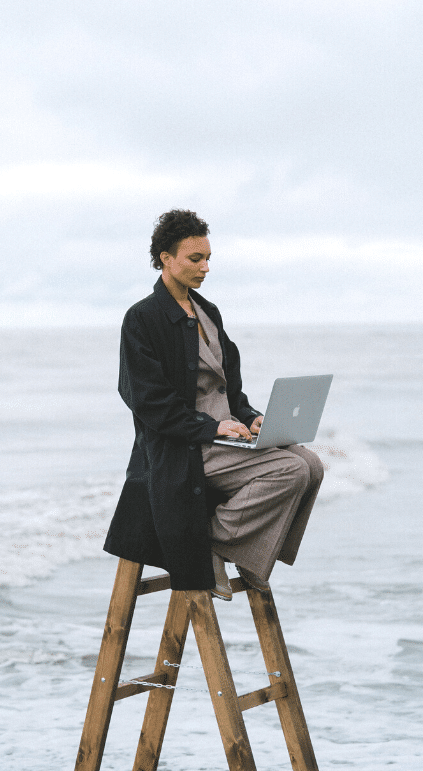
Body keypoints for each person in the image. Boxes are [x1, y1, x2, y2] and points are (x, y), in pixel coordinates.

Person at [103, 209, 324, 600]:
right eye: (195, 259)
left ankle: (253, 555)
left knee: (312, 465)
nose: (205, 267)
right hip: (182, 448)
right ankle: (216, 544)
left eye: (208, 258)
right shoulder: (142, 319)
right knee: (290, 470)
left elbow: (230, 392)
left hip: (226, 438)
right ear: (165, 258)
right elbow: (147, 402)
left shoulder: (208, 312)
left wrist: (253, 418)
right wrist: (211, 427)